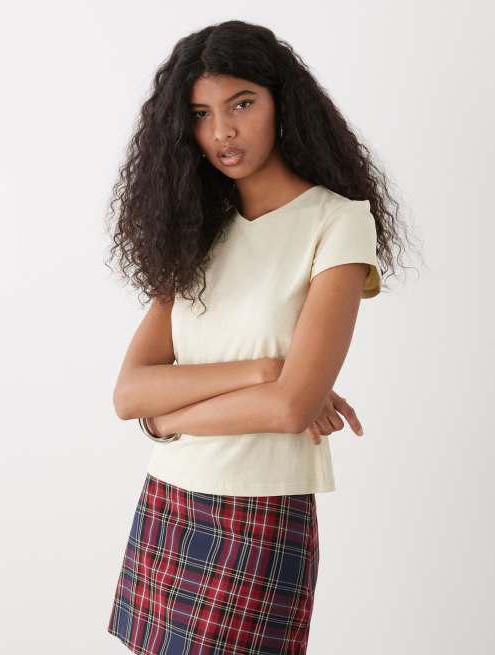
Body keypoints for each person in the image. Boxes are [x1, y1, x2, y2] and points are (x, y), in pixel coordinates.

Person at [105, 19, 411, 655]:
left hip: (263, 512)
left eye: (241, 104)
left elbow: (291, 409)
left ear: (282, 103)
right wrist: (262, 370)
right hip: (170, 500)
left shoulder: (337, 223)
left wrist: (169, 419)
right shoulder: (197, 233)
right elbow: (130, 393)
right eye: (201, 114)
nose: (222, 131)